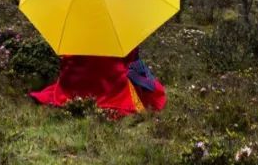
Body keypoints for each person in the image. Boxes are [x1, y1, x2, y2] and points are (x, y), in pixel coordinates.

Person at [29, 47, 166, 116]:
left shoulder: (75, 24)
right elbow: (129, 60)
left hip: (73, 82)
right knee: (121, 71)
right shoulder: (119, 26)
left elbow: (65, 61)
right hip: (109, 84)